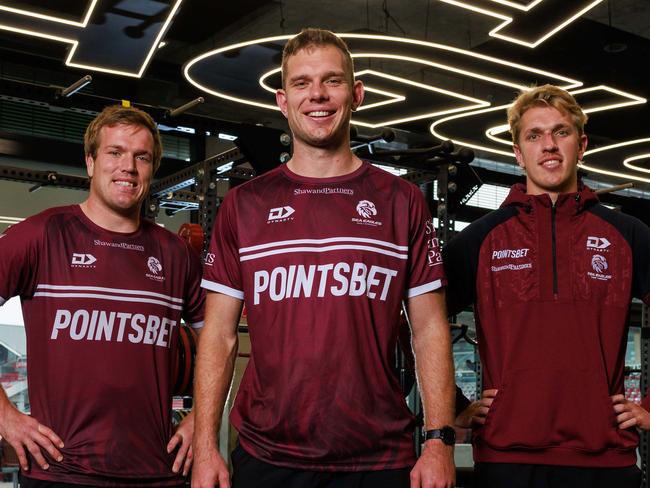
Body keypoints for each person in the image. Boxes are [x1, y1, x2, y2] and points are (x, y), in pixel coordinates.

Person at [192, 28, 456, 488]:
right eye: (302, 83)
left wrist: (439, 441)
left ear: (356, 94)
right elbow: (217, 336)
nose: (317, 94)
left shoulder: (402, 200)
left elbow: (430, 328)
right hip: (268, 453)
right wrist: (204, 446)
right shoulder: (245, 204)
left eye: (332, 81)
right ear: (282, 100)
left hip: (377, 456)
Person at [444, 84, 650, 487]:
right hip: (507, 460)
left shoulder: (628, 234)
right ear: (518, 153)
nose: (549, 146)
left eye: (561, 132)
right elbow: (413, 323)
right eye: (534, 136)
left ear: (582, 144)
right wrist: (452, 406)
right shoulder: (481, 240)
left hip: (605, 459)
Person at [0, 105, 205, 487]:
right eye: (115, 153)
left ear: (151, 169)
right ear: (91, 162)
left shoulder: (175, 255)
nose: (128, 167)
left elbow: (219, 339)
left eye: (141, 157)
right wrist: (5, 416)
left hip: (157, 472)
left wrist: (203, 421)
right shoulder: (42, 235)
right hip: (61, 472)